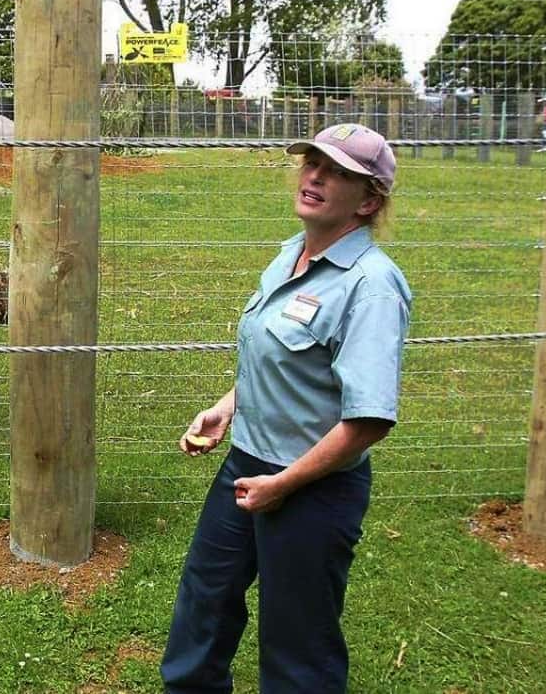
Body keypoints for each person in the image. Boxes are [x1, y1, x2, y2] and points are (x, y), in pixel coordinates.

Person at [160, 123, 413, 694]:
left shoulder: (371, 287)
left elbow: (367, 421)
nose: (316, 177)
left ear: (369, 201)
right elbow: (276, 358)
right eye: (311, 164)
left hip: (312, 488)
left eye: (339, 173)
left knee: (298, 639)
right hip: (245, 463)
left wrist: (285, 484)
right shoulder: (290, 256)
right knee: (206, 599)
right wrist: (228, 406)